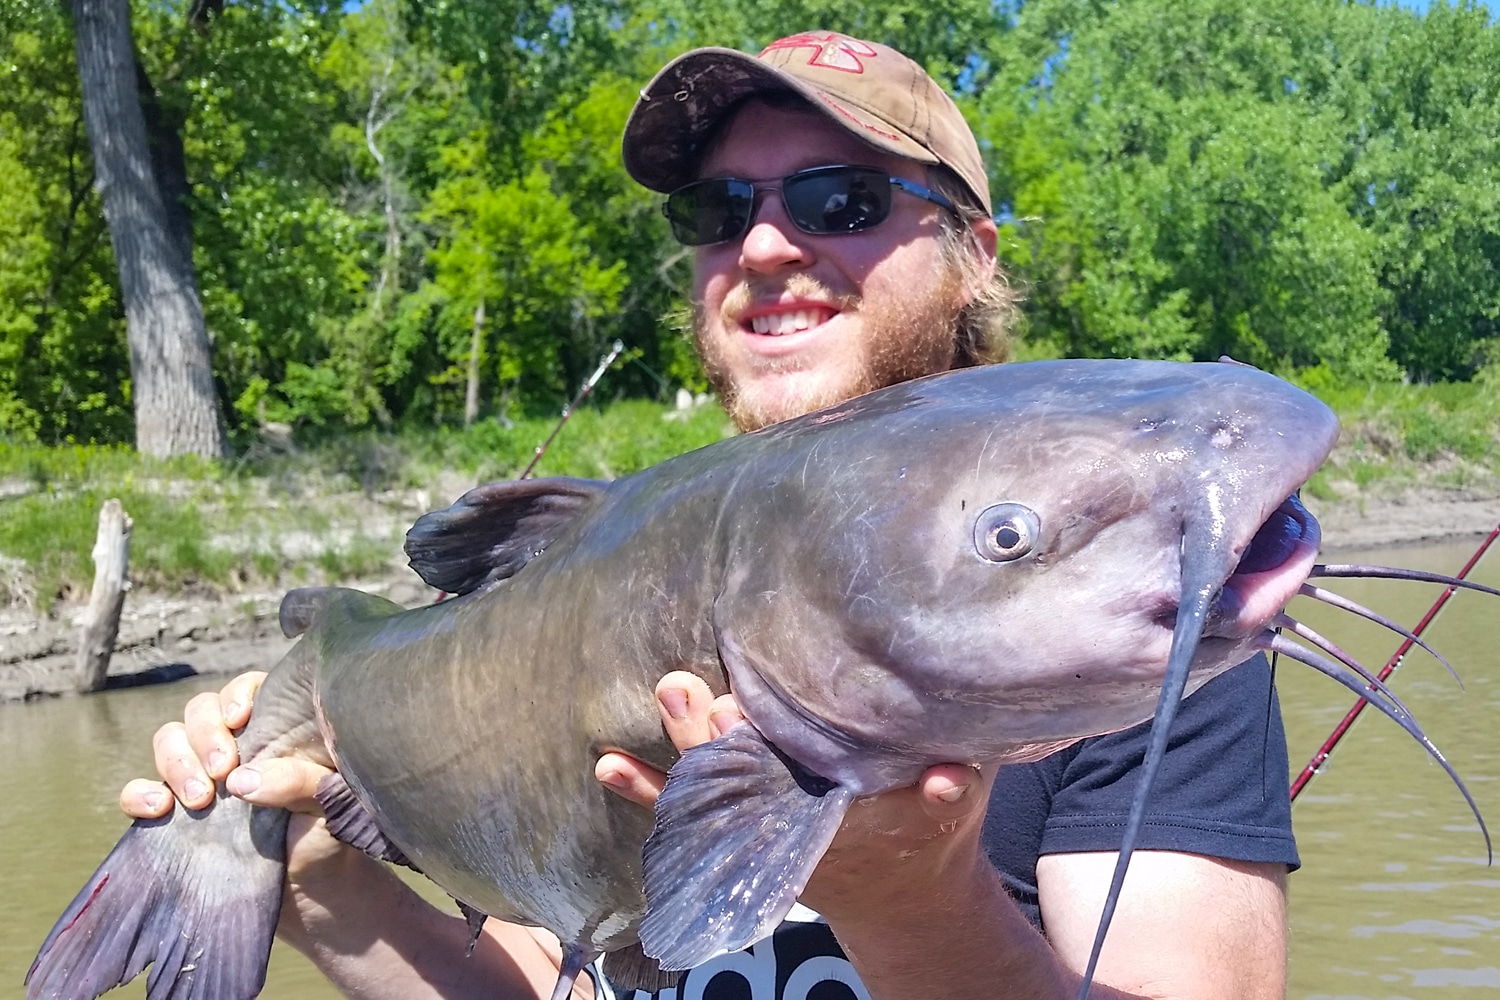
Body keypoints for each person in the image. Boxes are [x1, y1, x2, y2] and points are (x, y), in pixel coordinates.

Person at [120, 31, 1298, 1000]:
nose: (767, 244)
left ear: (971, 257)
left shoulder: (1145, 634)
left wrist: (916, 902)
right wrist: (328, 880)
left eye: (843, 197)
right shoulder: (607, 574)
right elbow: (557, 982)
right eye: (719, 208)